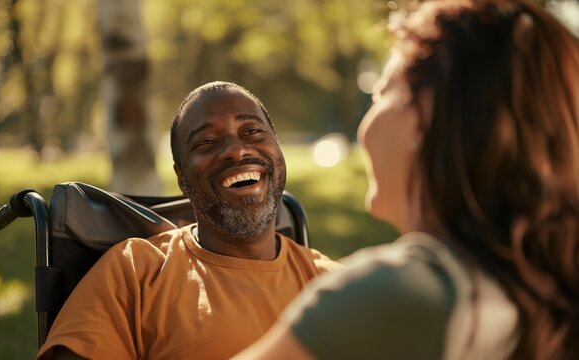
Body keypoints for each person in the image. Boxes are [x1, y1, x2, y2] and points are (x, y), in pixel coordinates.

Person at [233, 0, 579, 359]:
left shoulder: (398, 293)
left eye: (381, 94)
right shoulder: (543, 289)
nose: (365, 125)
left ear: (424, 115)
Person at [37, 81, 342, 359]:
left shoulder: (335, 286)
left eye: (252, 131)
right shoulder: (133, 270)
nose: (236, 150)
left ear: (277, 150)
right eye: (206, 142)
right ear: (182, 178)